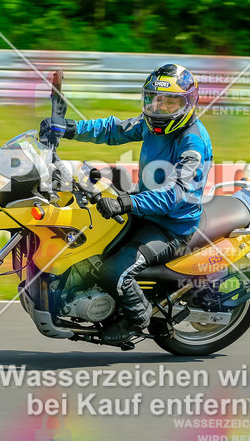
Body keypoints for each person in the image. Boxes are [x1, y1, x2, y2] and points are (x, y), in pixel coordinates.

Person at [39, 63, 213, 338]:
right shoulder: (150, 124)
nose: (159, 108)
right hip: (144, 210)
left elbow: (176, 194)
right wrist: (69, 128)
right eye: (154, 100)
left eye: (170, 103)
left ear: (188, 103)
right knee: (91, 245)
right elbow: (114, 130)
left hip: (171, 227)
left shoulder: (193, 143)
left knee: (114, 271)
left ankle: (137, 318)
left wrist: (126, 202)